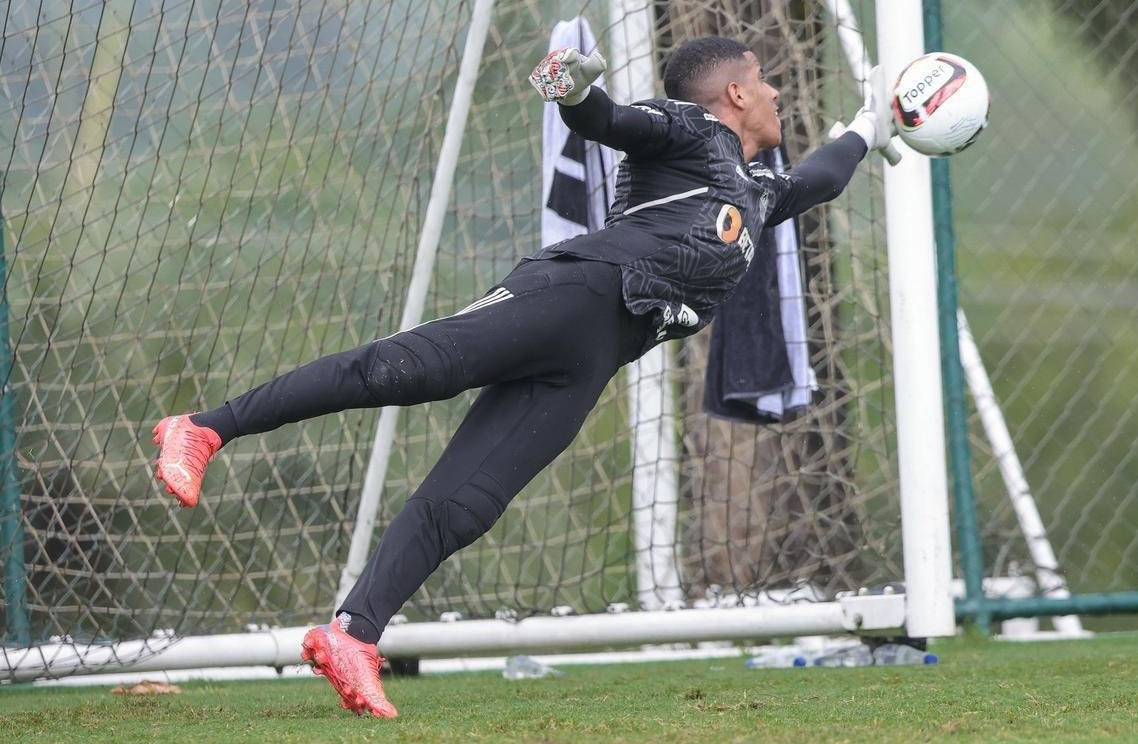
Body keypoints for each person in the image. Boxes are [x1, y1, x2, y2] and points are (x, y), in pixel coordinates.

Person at [152, 36, 895, 718]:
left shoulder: (755, 190)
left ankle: (352, 635)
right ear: (734, 93)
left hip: (593, 357)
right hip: (572, 295)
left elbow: (821, 177)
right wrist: (569, 86)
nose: (774, 93)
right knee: (406, 370)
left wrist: (873, 124)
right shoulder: (690, 129)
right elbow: (606, 120)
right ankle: (203, 429)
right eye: (763, 80)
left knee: (468, 504)